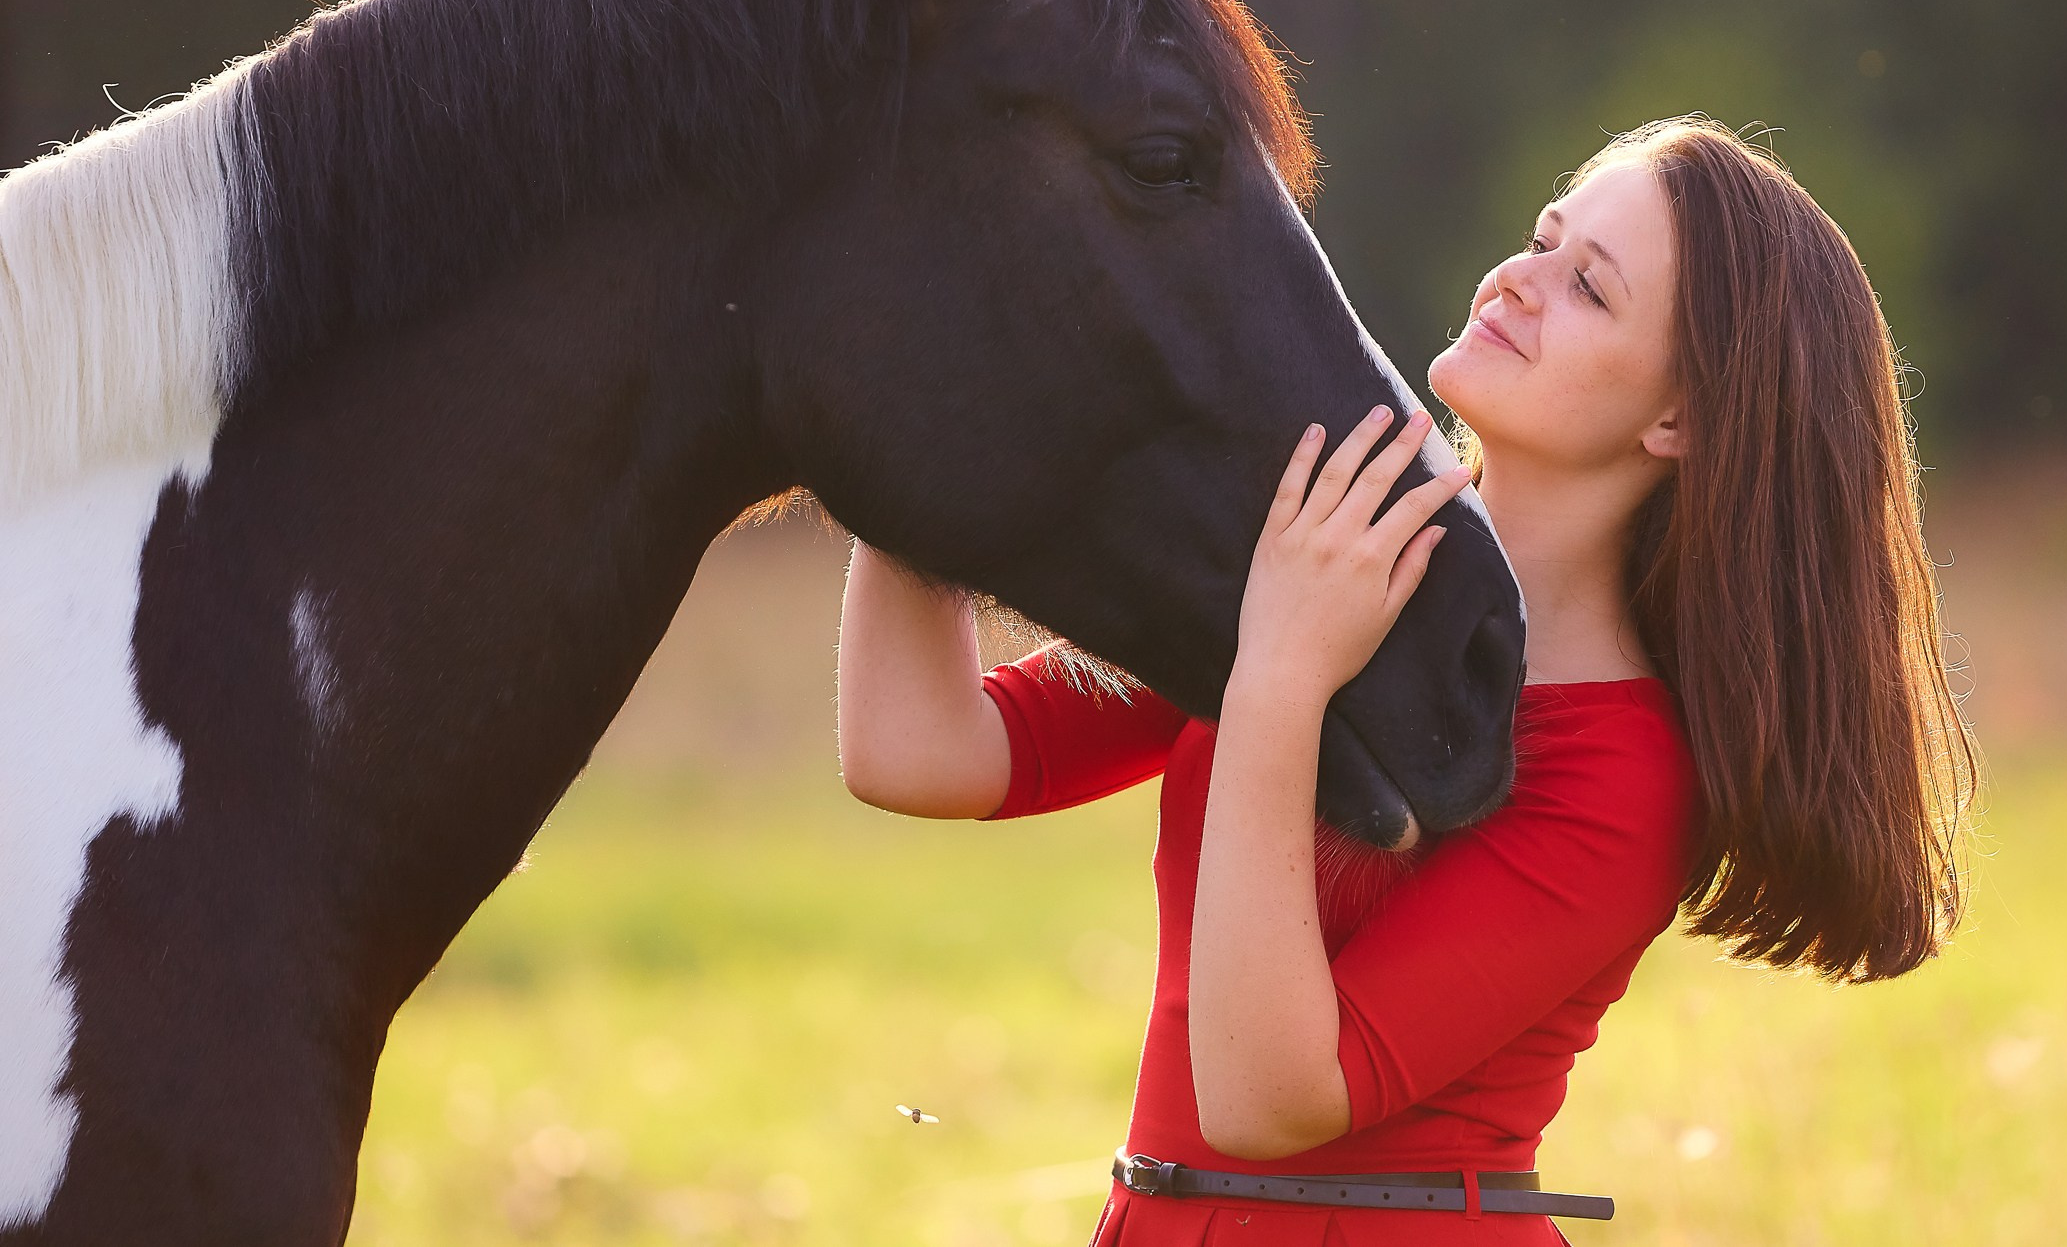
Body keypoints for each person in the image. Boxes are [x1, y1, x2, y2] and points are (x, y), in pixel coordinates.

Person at [837, 115, 1976, 1243]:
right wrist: (914, 428)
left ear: (1677, 416)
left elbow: (1266, 1098)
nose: (1520, 280)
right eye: (1542, 238)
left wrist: (1281, 671)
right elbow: (917, 749)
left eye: (1589, 287)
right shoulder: (1326, 539)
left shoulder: (1620, 768)